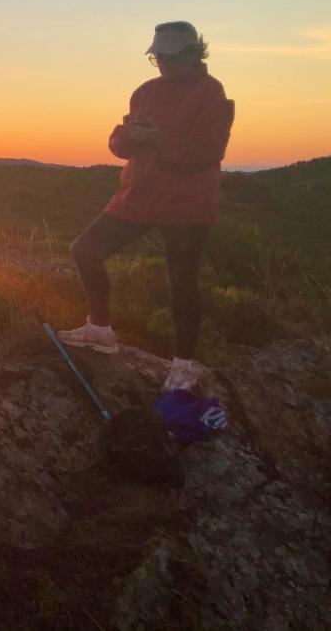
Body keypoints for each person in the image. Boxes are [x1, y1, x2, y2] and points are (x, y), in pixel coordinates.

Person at [62, 21, 235, 392]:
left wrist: (158, 139)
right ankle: (101, 329)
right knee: (85, 249)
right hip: (141, 194)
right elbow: (120, 144)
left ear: (193, 55)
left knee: (181, 281)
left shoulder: (211, 93)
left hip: (188, 202)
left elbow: (208, 152)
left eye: (171, 57)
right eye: (158, 57)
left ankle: (184, 364)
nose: (165, 64)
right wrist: (131, 136)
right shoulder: (145, 92)